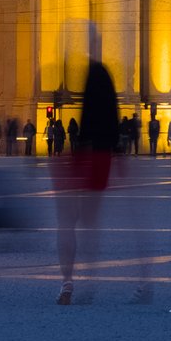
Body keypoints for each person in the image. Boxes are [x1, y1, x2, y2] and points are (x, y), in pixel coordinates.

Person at [55, 61, 121, 305]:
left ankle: (67, 281)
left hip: (79, 156)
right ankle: (90, 278)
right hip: (101, 157)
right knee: (90, 223)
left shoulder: (83, 89)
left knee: (66, 223)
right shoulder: (107, 88)